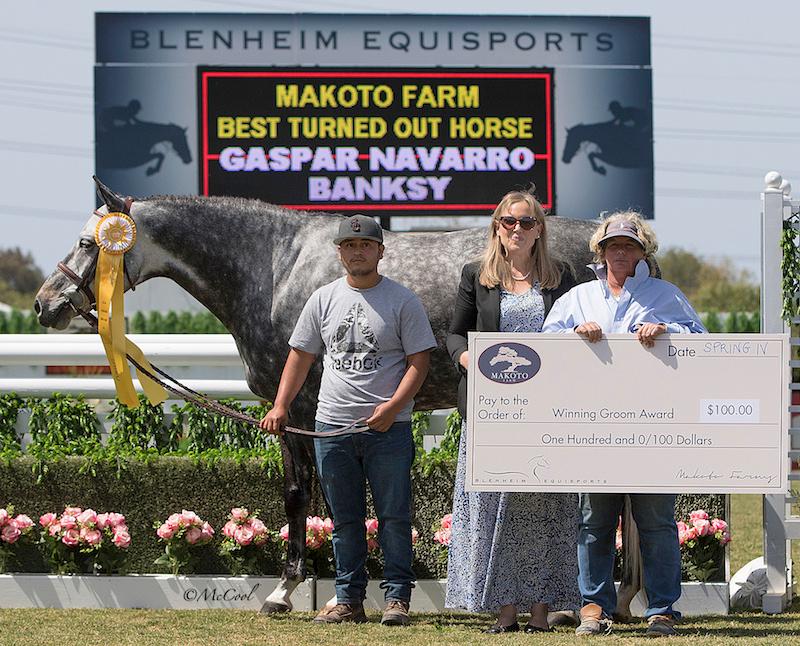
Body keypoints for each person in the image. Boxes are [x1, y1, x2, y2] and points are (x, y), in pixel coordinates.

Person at [260, 214, 436, 627]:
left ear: (380, 251)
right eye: (349, 246)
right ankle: (348, 598)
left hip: (388, 429)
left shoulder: (402, 300)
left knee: (395, 515)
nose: (357, 252)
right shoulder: (322, 299)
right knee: (345, 519)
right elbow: (300, 355)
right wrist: (280, 405)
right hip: (333, 427)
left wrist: (393, 408)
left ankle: (397, 599)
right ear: (339, 253)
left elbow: (419, 361)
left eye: (365, 245)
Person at [542, 211, 706, 638]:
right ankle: (594, 607)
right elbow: (543, 344)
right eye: (612, 244)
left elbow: (703, 342)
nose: (620, 251)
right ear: (600, 250)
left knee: (657, 523)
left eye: (629, 245)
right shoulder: (577, 299)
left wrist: (667, 330)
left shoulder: (665, 295)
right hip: (594, 428)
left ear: (642, 252)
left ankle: (663, 609)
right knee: (594, 521)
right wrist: (574, 333)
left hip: (653, 428)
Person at [444, 190, 581, 633]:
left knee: (545, 511)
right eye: (508, 222)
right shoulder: (476, 276)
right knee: (493, 506)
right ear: (496, 229)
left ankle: (541, 612)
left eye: (526, 222)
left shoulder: (562, 277)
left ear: (539, 228)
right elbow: (454, 337)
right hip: (492, 411)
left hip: (546, 413)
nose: (517, 229)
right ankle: (503, 610)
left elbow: (576, 334)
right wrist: (473, 362)